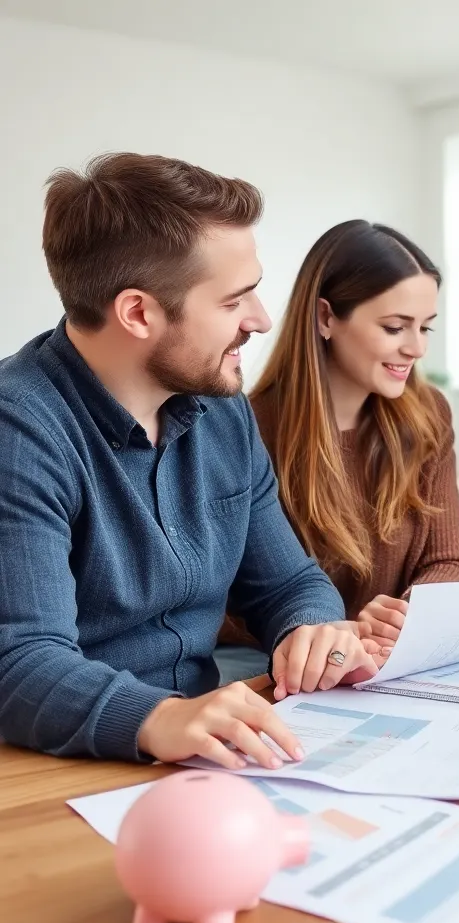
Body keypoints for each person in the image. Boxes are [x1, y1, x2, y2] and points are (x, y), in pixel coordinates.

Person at [0, 152, 382, 771]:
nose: (260, 320)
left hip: (208, 754)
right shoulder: (20, 430)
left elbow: (288, 582)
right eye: (236, 301)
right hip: (66, 760)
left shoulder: (220, 407)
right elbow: (19, 661)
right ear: (138, 312)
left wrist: (312, 630)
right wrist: (162, 717)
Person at [216, 220, 459, 683]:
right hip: (276, 663)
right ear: (326, 317)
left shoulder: (428, 414)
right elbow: (224, 600)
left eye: (425, 328)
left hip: (392, 663)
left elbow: (450, 560)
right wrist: (329, 633)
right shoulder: (246, 427)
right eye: (395, 326)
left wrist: (404, 619)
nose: (416, 348)